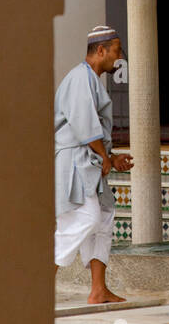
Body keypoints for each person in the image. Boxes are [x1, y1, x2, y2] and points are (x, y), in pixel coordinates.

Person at [54, 26, 132, 304]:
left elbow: (93, 130)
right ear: (101, 50)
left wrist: (112, 157)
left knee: (104, 218)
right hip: (74, 163)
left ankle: (98, 290)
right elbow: (85, 126)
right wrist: (106, 157)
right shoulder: (80, 79)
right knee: (83, 218)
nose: (119, 57)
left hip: (89, 163)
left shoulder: (91, 80)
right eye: (116, 50)